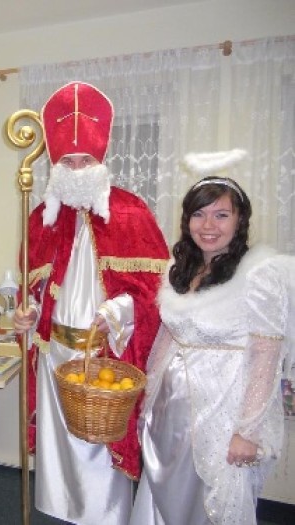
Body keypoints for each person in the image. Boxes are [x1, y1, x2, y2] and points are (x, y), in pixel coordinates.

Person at [13, 81, 169, 525]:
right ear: (55, 165)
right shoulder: (41, 217)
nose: (78, 169)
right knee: (60, 454)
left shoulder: (130, 212)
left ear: (100, 162)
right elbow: (32, 289)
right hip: (54, 356)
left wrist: (115, 312)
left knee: (99, 454)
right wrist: (27, 313)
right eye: (68, 161)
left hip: (104, 357)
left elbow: (153, 293)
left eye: (86, 161)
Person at [130, 158, 294, 525]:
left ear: (240, 220)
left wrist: (246, 432)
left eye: (221, 215)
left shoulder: (258, 275)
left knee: (206, 503)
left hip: (220, 409)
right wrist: (148, 399)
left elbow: (266, 357)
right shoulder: (180, 270)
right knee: (160, 492)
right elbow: (169, 336)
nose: (208, 226)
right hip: (169, 408)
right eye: (199, 214)